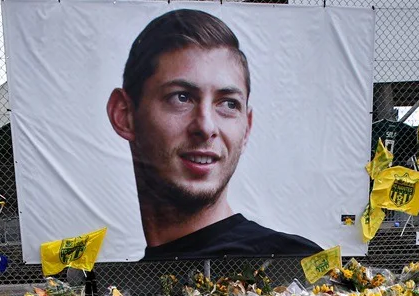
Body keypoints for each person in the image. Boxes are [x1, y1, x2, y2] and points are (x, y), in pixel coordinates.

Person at [106, 9, 322, 261]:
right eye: (181, 97)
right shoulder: (124, 282)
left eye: (229, 104)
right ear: (124, 114)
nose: (206, 127)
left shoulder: (293, 265)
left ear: (247, 128)